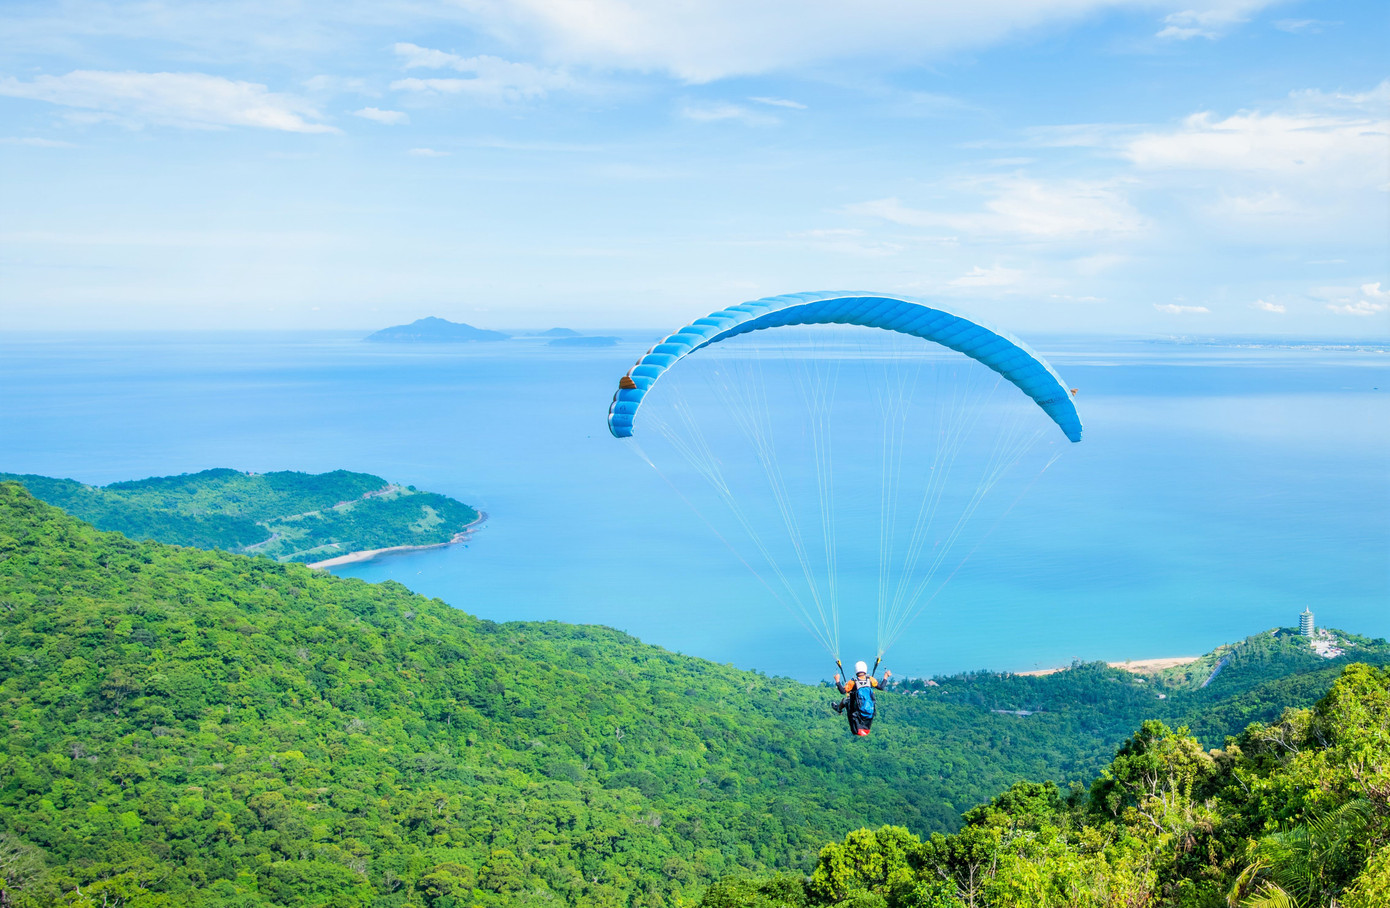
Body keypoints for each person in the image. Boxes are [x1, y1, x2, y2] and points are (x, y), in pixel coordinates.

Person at [832, 661, 891, 736]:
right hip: (869, 709)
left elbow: (842, 691)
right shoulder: (870, 679)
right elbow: (881, 687)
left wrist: (837, 680)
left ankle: (839, 709)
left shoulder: (853, 682)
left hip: (856, 708)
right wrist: (886, 676)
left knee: (845, 700)